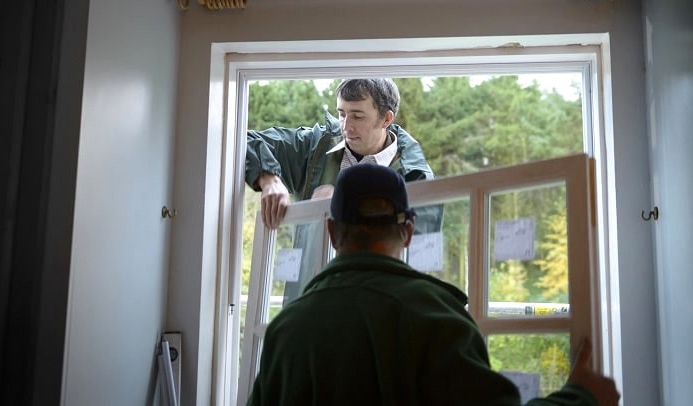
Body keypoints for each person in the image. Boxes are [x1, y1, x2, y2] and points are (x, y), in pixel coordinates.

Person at [247, 164, 621, 406]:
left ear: (331, 231)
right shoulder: (435, 318)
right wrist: (582, 397)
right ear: (408, 231)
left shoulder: (285, 330)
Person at [245, 78, 442, 302]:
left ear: (386, 118)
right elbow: (244, 139)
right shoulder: (313, 148)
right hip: (312, 307)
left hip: (378, 316)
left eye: (358, 116)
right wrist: (269, 178)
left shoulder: (418, 178)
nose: (346, 126)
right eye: (341, 113)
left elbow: (421, 263)